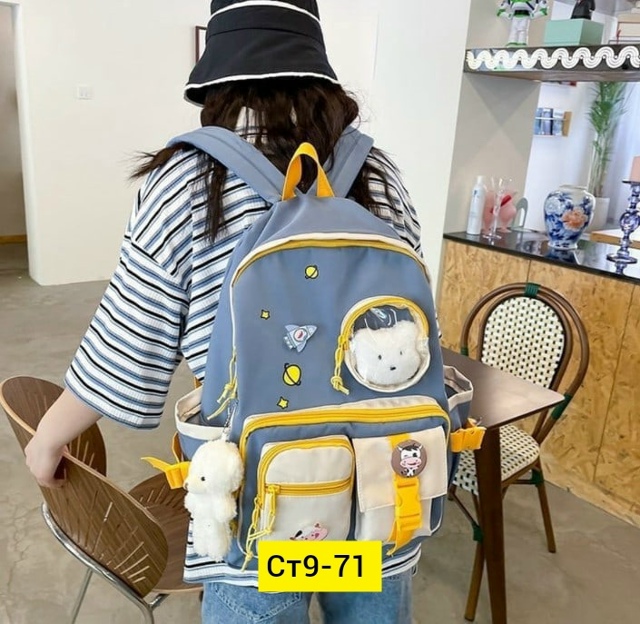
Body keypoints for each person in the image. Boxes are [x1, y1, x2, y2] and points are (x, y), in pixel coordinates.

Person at [24, 1, 422, 622]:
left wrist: (49, 437)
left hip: (260, 498)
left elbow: (128, 344)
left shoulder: (190, 179)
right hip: (380, 489)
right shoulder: (377, 173)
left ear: (218, 75)